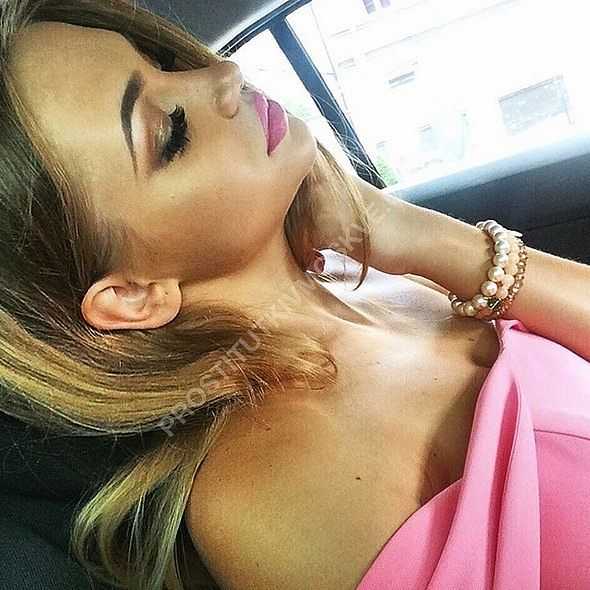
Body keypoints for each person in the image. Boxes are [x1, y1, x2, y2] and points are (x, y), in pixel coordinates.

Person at [1, 1, 589, 589]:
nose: (223, 76)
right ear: (133, 295)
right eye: (170, 133)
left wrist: (415, 234)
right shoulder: (268, 495)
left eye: (164, 62)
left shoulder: (363, 279)